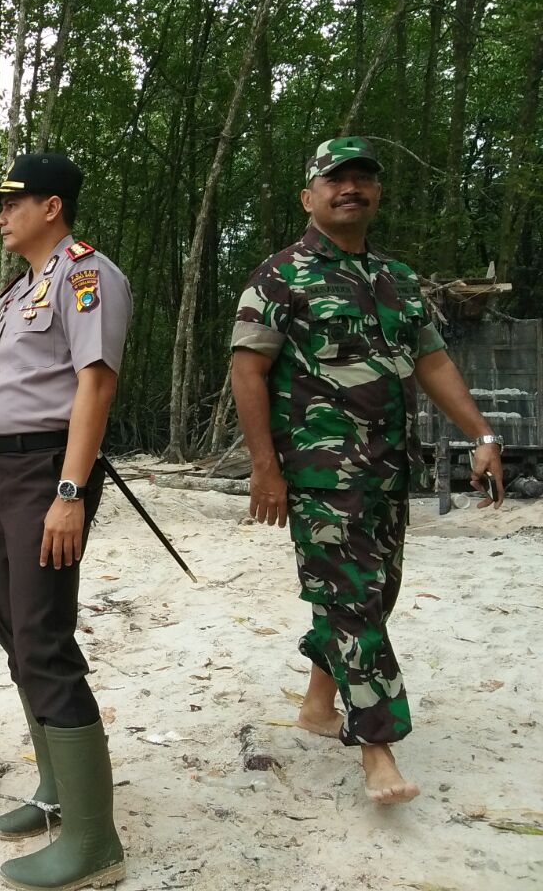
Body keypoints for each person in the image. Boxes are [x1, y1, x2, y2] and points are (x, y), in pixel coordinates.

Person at [230, 135, 505, 805]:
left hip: (387, 471)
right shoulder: (280, 275)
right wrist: (265, 468)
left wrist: (482, 434)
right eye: (335, 179)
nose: (349, 188)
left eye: (362, 179)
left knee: (372, 597)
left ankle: (317, 706)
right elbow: (247, 369)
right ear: (309, 196)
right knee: (355, 604)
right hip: (320, 474)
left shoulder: (397, 278)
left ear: (376, 193)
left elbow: (433, 362)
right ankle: (378, 750)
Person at [0, 153, 131, 890]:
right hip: (3, 472)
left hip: (46, 474)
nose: (1, 216)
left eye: (11, 203)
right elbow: (3, 396)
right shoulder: (17, 292)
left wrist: (71, 490)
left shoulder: (86, 275)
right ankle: (56, 788)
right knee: (14, 634)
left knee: (43, 639)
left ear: (51, 206)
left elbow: (95, 385)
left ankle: (94, 843)